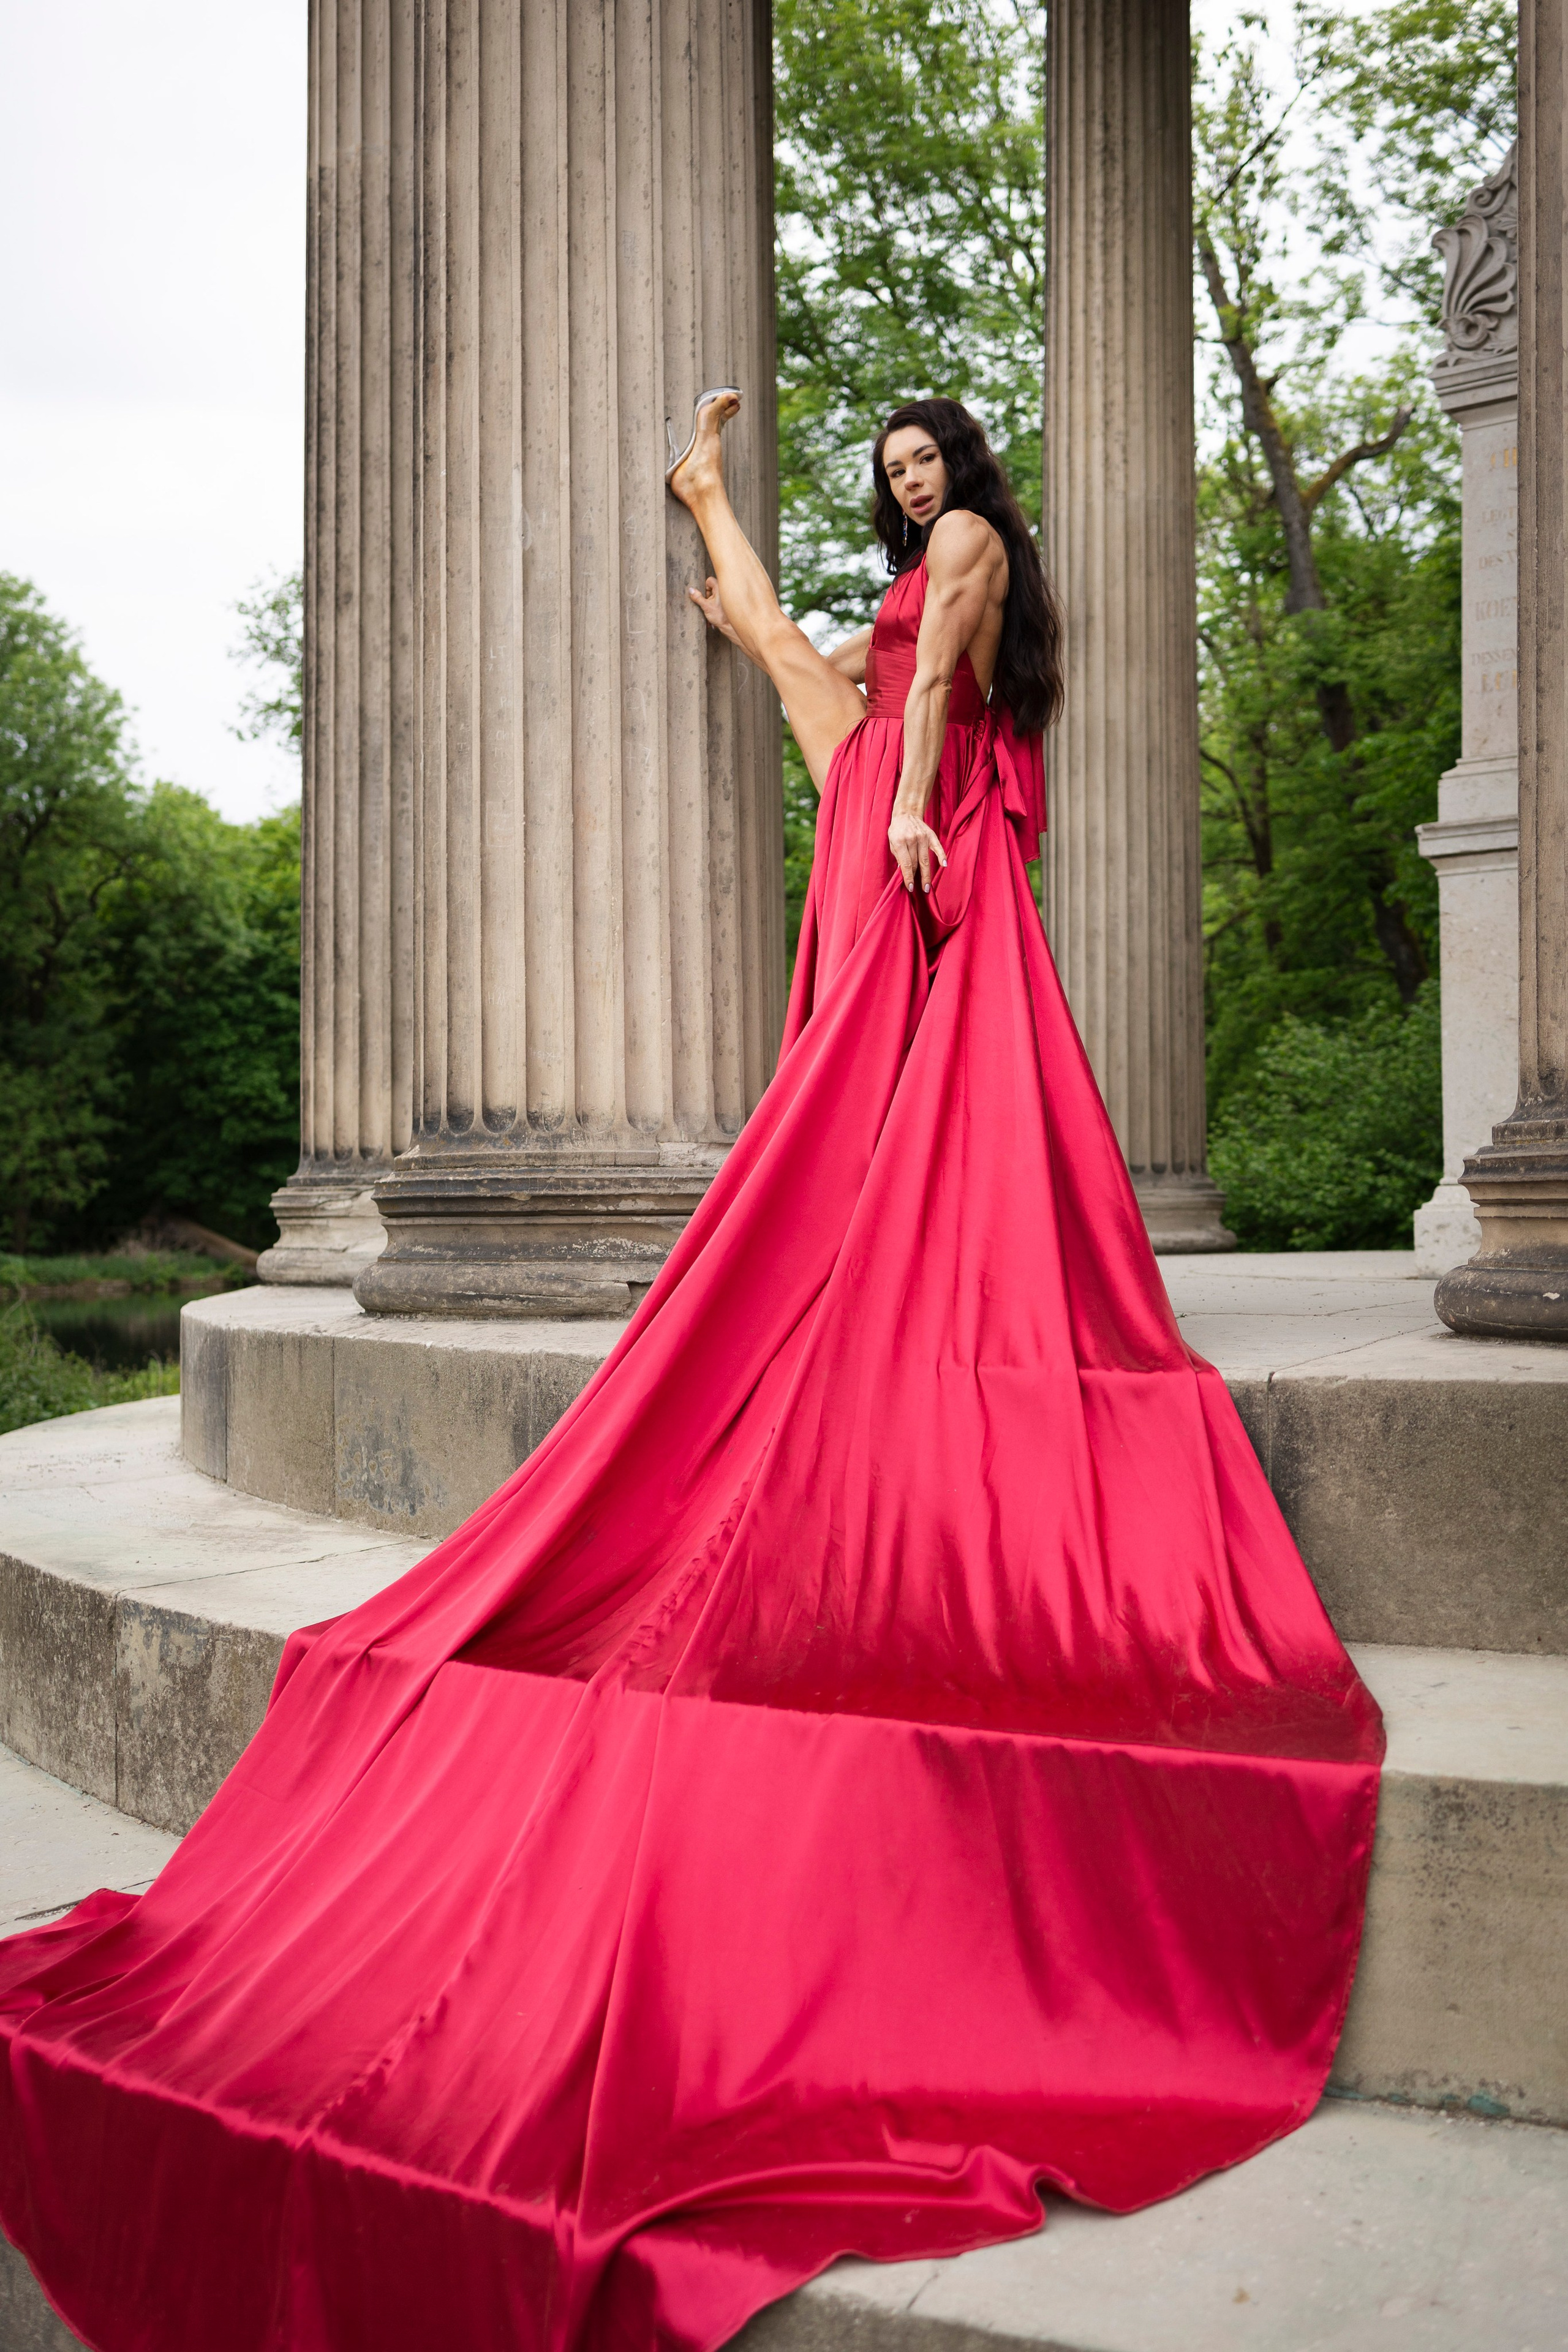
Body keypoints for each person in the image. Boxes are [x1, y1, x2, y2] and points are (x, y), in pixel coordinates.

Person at [0, 394, 1382, 2352]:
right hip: (867, 848)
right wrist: (719, 511)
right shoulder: (874, 643)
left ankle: (949, 1312)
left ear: (968, 478)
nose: (913, 490)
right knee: (829, 1137)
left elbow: (912, 696)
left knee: (953, 1145)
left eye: (929, 463)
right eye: (894, 476)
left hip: (931, 850)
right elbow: (799, 673)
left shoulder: (977, 572)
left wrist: (910, 797)